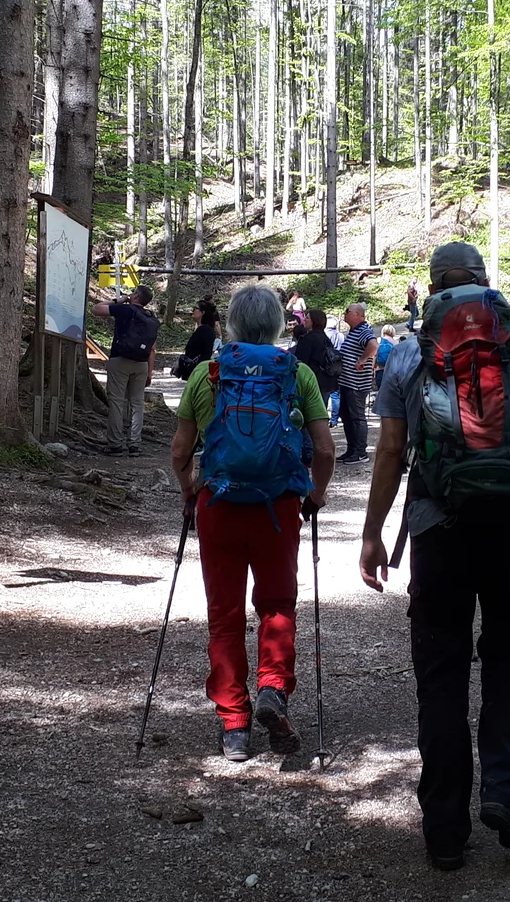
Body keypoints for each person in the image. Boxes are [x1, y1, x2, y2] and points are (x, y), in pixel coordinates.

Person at [359, 241, 510, 872]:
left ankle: (444, 828)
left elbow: (389, 453)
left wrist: (373, 532)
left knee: (441, 676)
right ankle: (507, 795)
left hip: (439, 532)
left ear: (431, 288)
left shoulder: (409, 353)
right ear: (485, 281)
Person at [170, 286, 336, 762]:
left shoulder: (209, 372)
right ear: (280, 326)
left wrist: (189, 491)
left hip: (218, 505)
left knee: (224, 614)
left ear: (234, 325)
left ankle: (234, 725)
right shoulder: (296, 372)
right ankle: (273, 689)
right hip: (279, 505)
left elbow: (181, 451)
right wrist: (315, 494)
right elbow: (324, 449)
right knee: (277, 602)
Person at [92, 285, 160, 455]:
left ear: (136, 295)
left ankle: (115, 444)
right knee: (137, 403)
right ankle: (134, 443)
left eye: (133, 292)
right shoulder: (150, 318)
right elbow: (152, 348)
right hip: (142, 364)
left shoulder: (125, 310)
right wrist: (150, 372)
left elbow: (96, 308)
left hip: (120, 360)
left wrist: (118, 300)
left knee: (116, 401)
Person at [336, 303, 377, 464]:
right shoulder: (354, 331)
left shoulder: (364, 330)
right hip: (347, 382)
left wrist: (362, 360)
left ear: (357, 314)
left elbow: (373, 345)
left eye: (347, 311)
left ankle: (361, 453)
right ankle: (352, 449)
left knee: (357, 417)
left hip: (356, 384)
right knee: (346, 416)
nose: (345, 314)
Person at [290, 307, 342, 428]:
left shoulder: (308, 339)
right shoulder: (325, 338)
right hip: (327, 382)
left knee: (309, 420)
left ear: (314, 321)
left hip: (312, 384)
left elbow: (301, 364)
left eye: (307, 318)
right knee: (320, 416)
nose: (304, 321)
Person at [175, 297, 220, 381]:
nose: (193, 310)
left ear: (202, 312)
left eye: (195, 308)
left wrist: (197, 369)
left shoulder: (206, 330)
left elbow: (206, 354)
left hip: (197, 372)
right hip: (193, 372)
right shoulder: (201, 329)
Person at [374, 324, 397, 392]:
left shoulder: (378, 340)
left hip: (379, 369)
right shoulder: (395, 343)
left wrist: (372, 368)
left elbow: (375, 355)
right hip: (391, 371)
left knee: (380, 392)